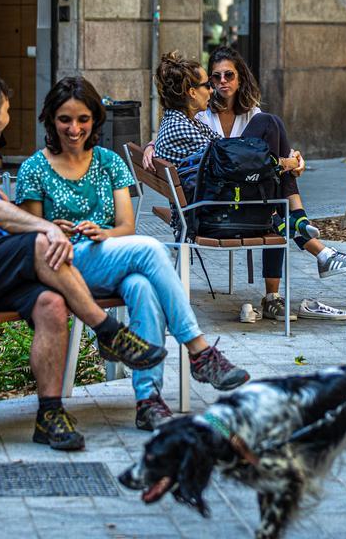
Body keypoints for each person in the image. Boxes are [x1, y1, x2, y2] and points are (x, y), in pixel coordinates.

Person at [0, 72, 167, 452]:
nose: (7, 116)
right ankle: (108, 332)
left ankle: (49, 414)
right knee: (40, 242)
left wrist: (50, 227)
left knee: (52, 304)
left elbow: (4, 215)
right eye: (4, 110)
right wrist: (46, 230)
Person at [16, 76, 251, 431]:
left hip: (109, 252)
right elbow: (31, 235)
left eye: (82, 119)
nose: (74, 128)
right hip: (63, 265)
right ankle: (200, 351)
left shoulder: (109, 162)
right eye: (65, 119)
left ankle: (148, 401)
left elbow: (126, 226)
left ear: (94, 119)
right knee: (151, 249)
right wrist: (57, 228)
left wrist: (102, 231)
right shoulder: (36, 167)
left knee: (142, 285)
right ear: (51, 120)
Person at [145, 51, 346, 323]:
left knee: (268, 147)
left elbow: (235, 159)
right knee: (268, 134)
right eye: (209, 82)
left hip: (215, 203)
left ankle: (310, 240)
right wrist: (284, 163)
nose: (215, 87)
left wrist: (285, 162)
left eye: (227, 76)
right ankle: (305, 232)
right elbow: (233, 163)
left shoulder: (185, 121)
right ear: (191, 92)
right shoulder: (187, 125)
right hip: (212, 212)